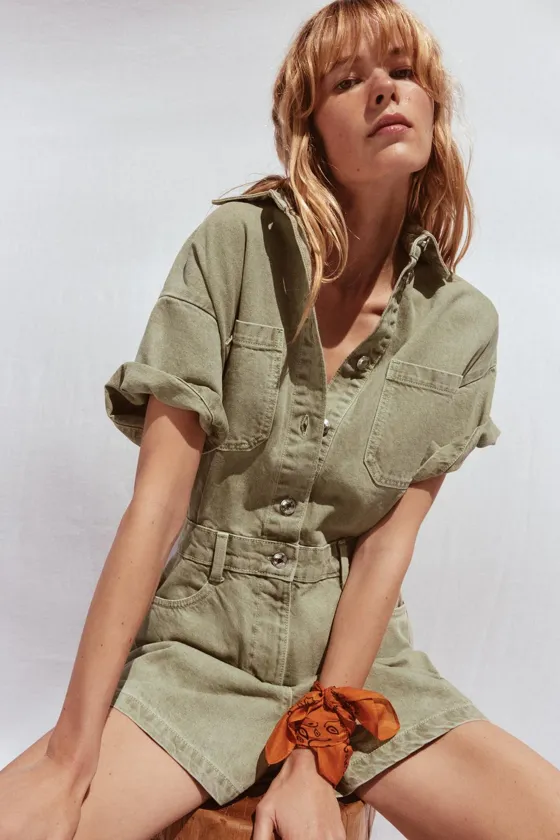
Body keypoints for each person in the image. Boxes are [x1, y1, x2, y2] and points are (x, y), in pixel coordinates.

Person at [2, 1, 560, 839]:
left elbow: (384, 552)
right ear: (310, 128)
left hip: (362, 666)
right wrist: (67, 757)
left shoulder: (463, 324)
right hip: (203, 653)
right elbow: (156, 506)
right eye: (349, 80)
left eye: (402, 71)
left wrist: (314, 757)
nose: (384, 91)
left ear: (433, 104)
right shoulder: (232, 248)